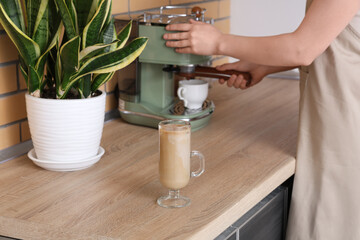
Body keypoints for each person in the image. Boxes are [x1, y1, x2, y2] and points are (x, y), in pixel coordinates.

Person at [163, 0, 360, 239]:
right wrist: (263, 65)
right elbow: (330, 41)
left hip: (347, 139)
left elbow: (303, 48)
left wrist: (218, 42)